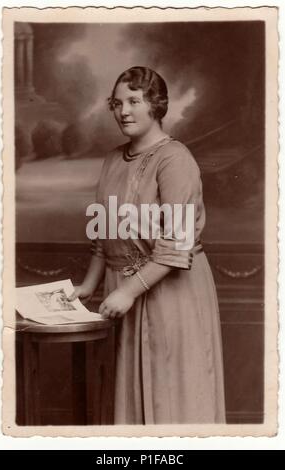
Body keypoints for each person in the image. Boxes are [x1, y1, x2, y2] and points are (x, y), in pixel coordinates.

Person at [69, 66, 225, 424]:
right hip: (120, 291)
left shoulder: (176, 160)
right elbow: (102, 232)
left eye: (134, 101)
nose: (123, 111)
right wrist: (90, 285)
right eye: (117, 102)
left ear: (156, 104)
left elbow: (177, 244)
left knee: (170, 396)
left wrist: (128, 291)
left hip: (170, 292)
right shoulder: (112, 158)